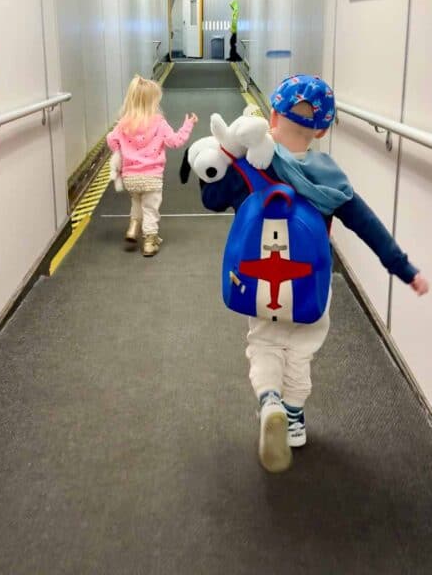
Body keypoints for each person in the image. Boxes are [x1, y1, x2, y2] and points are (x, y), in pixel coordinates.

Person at [200, 75, 429, 472]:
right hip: (308, 291)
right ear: (322, 130)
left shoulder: (256, 163)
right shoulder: (331, 179)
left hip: (260, 289)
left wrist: (228, 155)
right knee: (300, 352)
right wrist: (403, 268)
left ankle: (269, 399)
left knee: (265, 345)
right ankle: (293, 418)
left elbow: (211, 198)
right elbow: (368, 226)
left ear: (272, 115)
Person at [107, 75, 198, 256]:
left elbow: (111, 140)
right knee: (150, 208)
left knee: (137, 201)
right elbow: (175, 141)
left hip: (130, 177)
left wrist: (123, 152)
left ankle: (133, 226)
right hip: (152, 176)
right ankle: (149, 240)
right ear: (153, 101)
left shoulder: (124, 123)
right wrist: (188, 125)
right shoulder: (158, 122)